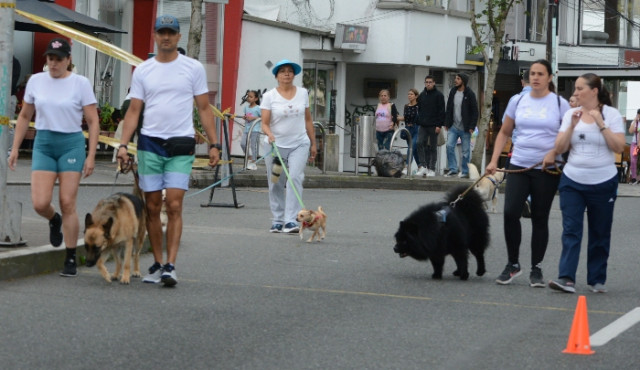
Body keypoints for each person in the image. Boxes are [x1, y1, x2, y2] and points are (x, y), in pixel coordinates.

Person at [116, 15, 221, 287]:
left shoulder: (192, 68)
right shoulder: (143, 71)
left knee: (174, 204)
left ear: (178, 37)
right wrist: (123, 146)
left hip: (181, 144)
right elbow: (134, 111)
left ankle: (171, 266)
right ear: (155, 35)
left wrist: (214, 143)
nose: (166, 37)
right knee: (151, 207)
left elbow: (204, 108)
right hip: (149, 143)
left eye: (171, 33)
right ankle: (158, 263)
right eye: (161, 32)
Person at [8, 38, 99, 277]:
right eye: (50, 59)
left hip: (71, 144)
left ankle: (70, 256)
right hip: (44, 143)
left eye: (59, 59)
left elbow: (92, 120)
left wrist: (91, 155)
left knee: (67, 201)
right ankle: (54, 219)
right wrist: (15, 147)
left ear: (69, 60)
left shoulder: (80, 83)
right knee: (39, 203)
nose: (54, 63)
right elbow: (26, 115)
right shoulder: (36, 81)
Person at [486, 59, 570, 287]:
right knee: (511, 212)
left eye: (540, 74)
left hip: (546, 169)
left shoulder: (560, 104)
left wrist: (554, 151)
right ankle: (513, 264)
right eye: (532, 73)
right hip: (519, 164)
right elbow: (504, 132)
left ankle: (537, 268)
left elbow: (567, 137)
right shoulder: (518, 100)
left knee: (539, 218)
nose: (535, 77)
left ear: (549, 77)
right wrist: (494, 160)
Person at [548, 73, 626, 294]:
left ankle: (596, 279)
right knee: (571, 230)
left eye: (580, 88)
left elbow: (619, 147)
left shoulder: (611, 114)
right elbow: (560, 147)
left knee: (600, 233)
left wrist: (601, 124)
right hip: (573, 180)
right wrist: (572, 126)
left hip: (603, 182)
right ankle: (566, 278)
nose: (576, 93)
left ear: (594, 91)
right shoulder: (571, 114)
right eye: (575, 88)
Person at [261, 59, 317, 233]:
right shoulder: (269, 96)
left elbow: (308, 119)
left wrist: (313, 143)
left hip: (299, 144)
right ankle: (278, 218)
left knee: (294, 178)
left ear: (294, 75)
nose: (286, 74)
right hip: (276, 148)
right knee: (276, 182)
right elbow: (264, 123)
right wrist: (269, 134)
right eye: (282, 71)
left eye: (290, 71)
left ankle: (292, 219)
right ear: (277, 76)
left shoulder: (303, 93)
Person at [444, 73, 478, 178]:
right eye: (455, 78)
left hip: (465, 128)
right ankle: (453, 169)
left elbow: (475, 111)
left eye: (458, 79)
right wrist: (446, 122)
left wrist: (472, 126)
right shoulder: (453, 92)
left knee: (465, 152)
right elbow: (449, 108)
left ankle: (464, 171)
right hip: (453, 126)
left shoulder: (470, 94)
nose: (455, 80)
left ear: (463, 81)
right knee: (449, 146)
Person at [416, 75, 445, 177]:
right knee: (419, 143)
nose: (428, 84)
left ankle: (432, 168)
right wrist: (419, 120)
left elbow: (442, 111)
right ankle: (423, 166)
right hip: (423, 125)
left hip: (434, 125)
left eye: (430, 82)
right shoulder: (422, 95)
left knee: (433, 147)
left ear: (434, 83)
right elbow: (419, 109)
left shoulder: (439, 95)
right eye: (426, 82)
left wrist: (439, 125)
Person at [397, 88, 419, 175]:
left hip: (416, 128)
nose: (409, 96)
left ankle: (406, 166)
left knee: (411, 146)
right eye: (408, 94)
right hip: (407, 128)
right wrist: (397, 118)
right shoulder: (406, 106)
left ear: (416, 96)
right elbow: (405, 118)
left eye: (411, 94)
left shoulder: (419, 106)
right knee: (414, 150)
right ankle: (421, 166)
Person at [241, 90, 262, 170]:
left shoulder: (258, 108)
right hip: (246, 129)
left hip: (254, 129)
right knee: (243, 143)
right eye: (248, 96)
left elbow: (262, 117)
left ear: (256, 99)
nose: (248, 98)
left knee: (253, 145)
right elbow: (246, 115)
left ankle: (254, 162)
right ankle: (249, 157)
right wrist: (244, 117)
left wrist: (253, 118)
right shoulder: (246, 107)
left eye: (251, 97)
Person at [628, 109, 640, 185]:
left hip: (639, 144)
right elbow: (630, 131)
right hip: (635, 144)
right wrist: (634, 121)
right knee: (633, 160)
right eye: (638, 114)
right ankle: (634, 178)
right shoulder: (635, 122)